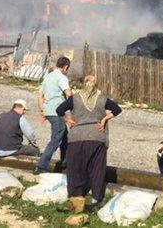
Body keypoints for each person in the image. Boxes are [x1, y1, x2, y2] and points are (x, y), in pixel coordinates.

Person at [57, 75, 122, 223]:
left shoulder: (74, 98)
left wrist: (67, 119)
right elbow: (117, 109)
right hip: (96, 137)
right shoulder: (102, 99)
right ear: (96, 84)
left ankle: (76, 197)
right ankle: (95, 199)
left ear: (83, 84)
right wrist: (105, 118)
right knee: (96, 169)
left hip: (77, 137)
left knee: (75, 168)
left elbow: (59, 109)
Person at [35, 56, 73, 175]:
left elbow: (40, 95)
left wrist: (43, 110)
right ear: (66, 67)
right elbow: (68, 94)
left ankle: (65, 163)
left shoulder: (48, 76)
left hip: (49, 111)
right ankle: (41, 166)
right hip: (58, 111)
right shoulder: (61, 77)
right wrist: (72, 109)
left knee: (64, 137)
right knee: (56, 139)